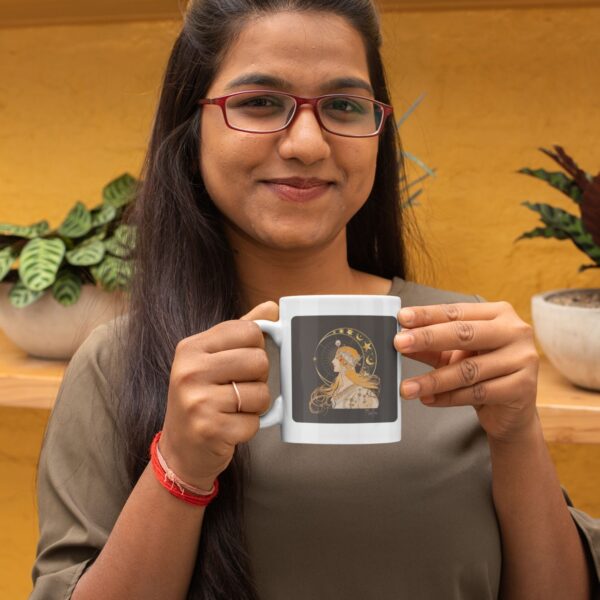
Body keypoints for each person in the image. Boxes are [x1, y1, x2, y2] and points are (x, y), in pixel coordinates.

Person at [30, 0, 600, 599]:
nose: (306, 143)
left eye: (344, 106)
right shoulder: (117, 365)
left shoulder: (462, 348)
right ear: (191, 122)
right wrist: (180, 469)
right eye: (258, 103)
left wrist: (518, 435)